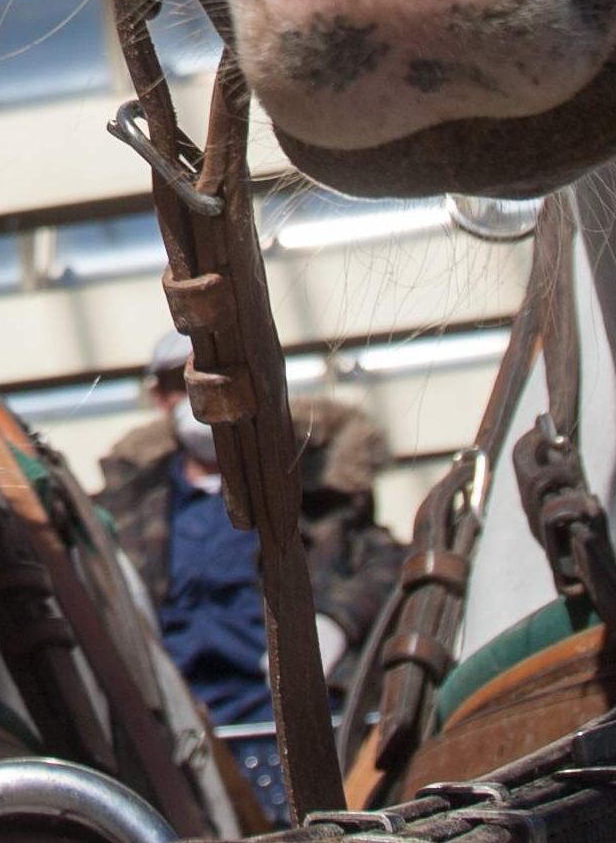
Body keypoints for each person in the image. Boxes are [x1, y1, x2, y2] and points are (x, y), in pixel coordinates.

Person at [100, 332, 399, 818]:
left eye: (216, 375)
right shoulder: (122, 511)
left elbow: (387, 561)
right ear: (159, 398)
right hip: (175, 748)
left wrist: (335, 621)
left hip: (295, 733)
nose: (199, 397)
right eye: (182, 383)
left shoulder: (316, 489)